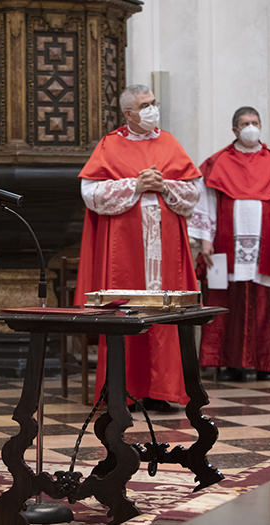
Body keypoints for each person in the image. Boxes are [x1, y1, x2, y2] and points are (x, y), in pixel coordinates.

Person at [74, 84, 201, 412]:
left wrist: (165, 185)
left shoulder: (170, 142)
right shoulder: (110, 145)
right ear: (128, 113)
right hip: (124, 251)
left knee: (165, 311)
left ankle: (164, 389)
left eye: (154, 102)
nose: (152, 109)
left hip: (166, 248)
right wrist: (136, 184)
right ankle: (124, 388)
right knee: (126, 310)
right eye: (145, 105)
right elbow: (91, 192)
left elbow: (193, 191)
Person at [188, 107, 270, 382]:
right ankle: (225, 361)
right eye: (245, 123)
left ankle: (263, 363)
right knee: (223, 300)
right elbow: (205, 204)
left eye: (255, 123)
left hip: (265, 248)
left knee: (264, 303)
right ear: (234, 130)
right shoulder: (218, 162)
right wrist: (206, 242)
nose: (251, 128)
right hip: (222, 248)